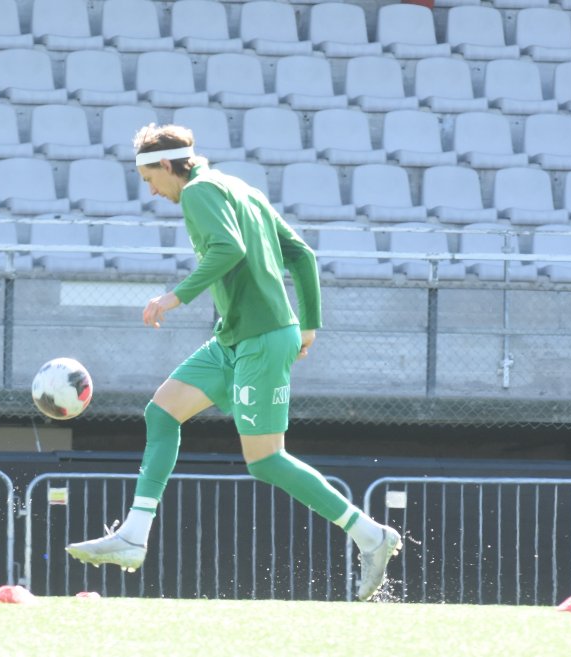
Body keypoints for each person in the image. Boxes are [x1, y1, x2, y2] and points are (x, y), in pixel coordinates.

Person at [65, 124, 402, 601]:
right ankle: (133, 536)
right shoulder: (240, 188)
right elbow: (301, 254)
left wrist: (175, 296)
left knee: (266, 460)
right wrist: (309, 324)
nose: (151, 191)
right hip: (235, 339)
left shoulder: (198, 192)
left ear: (167, 165)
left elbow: (228, 248)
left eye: (149, 179)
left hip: (261, 339)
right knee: (162, 412)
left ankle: (371, 536)